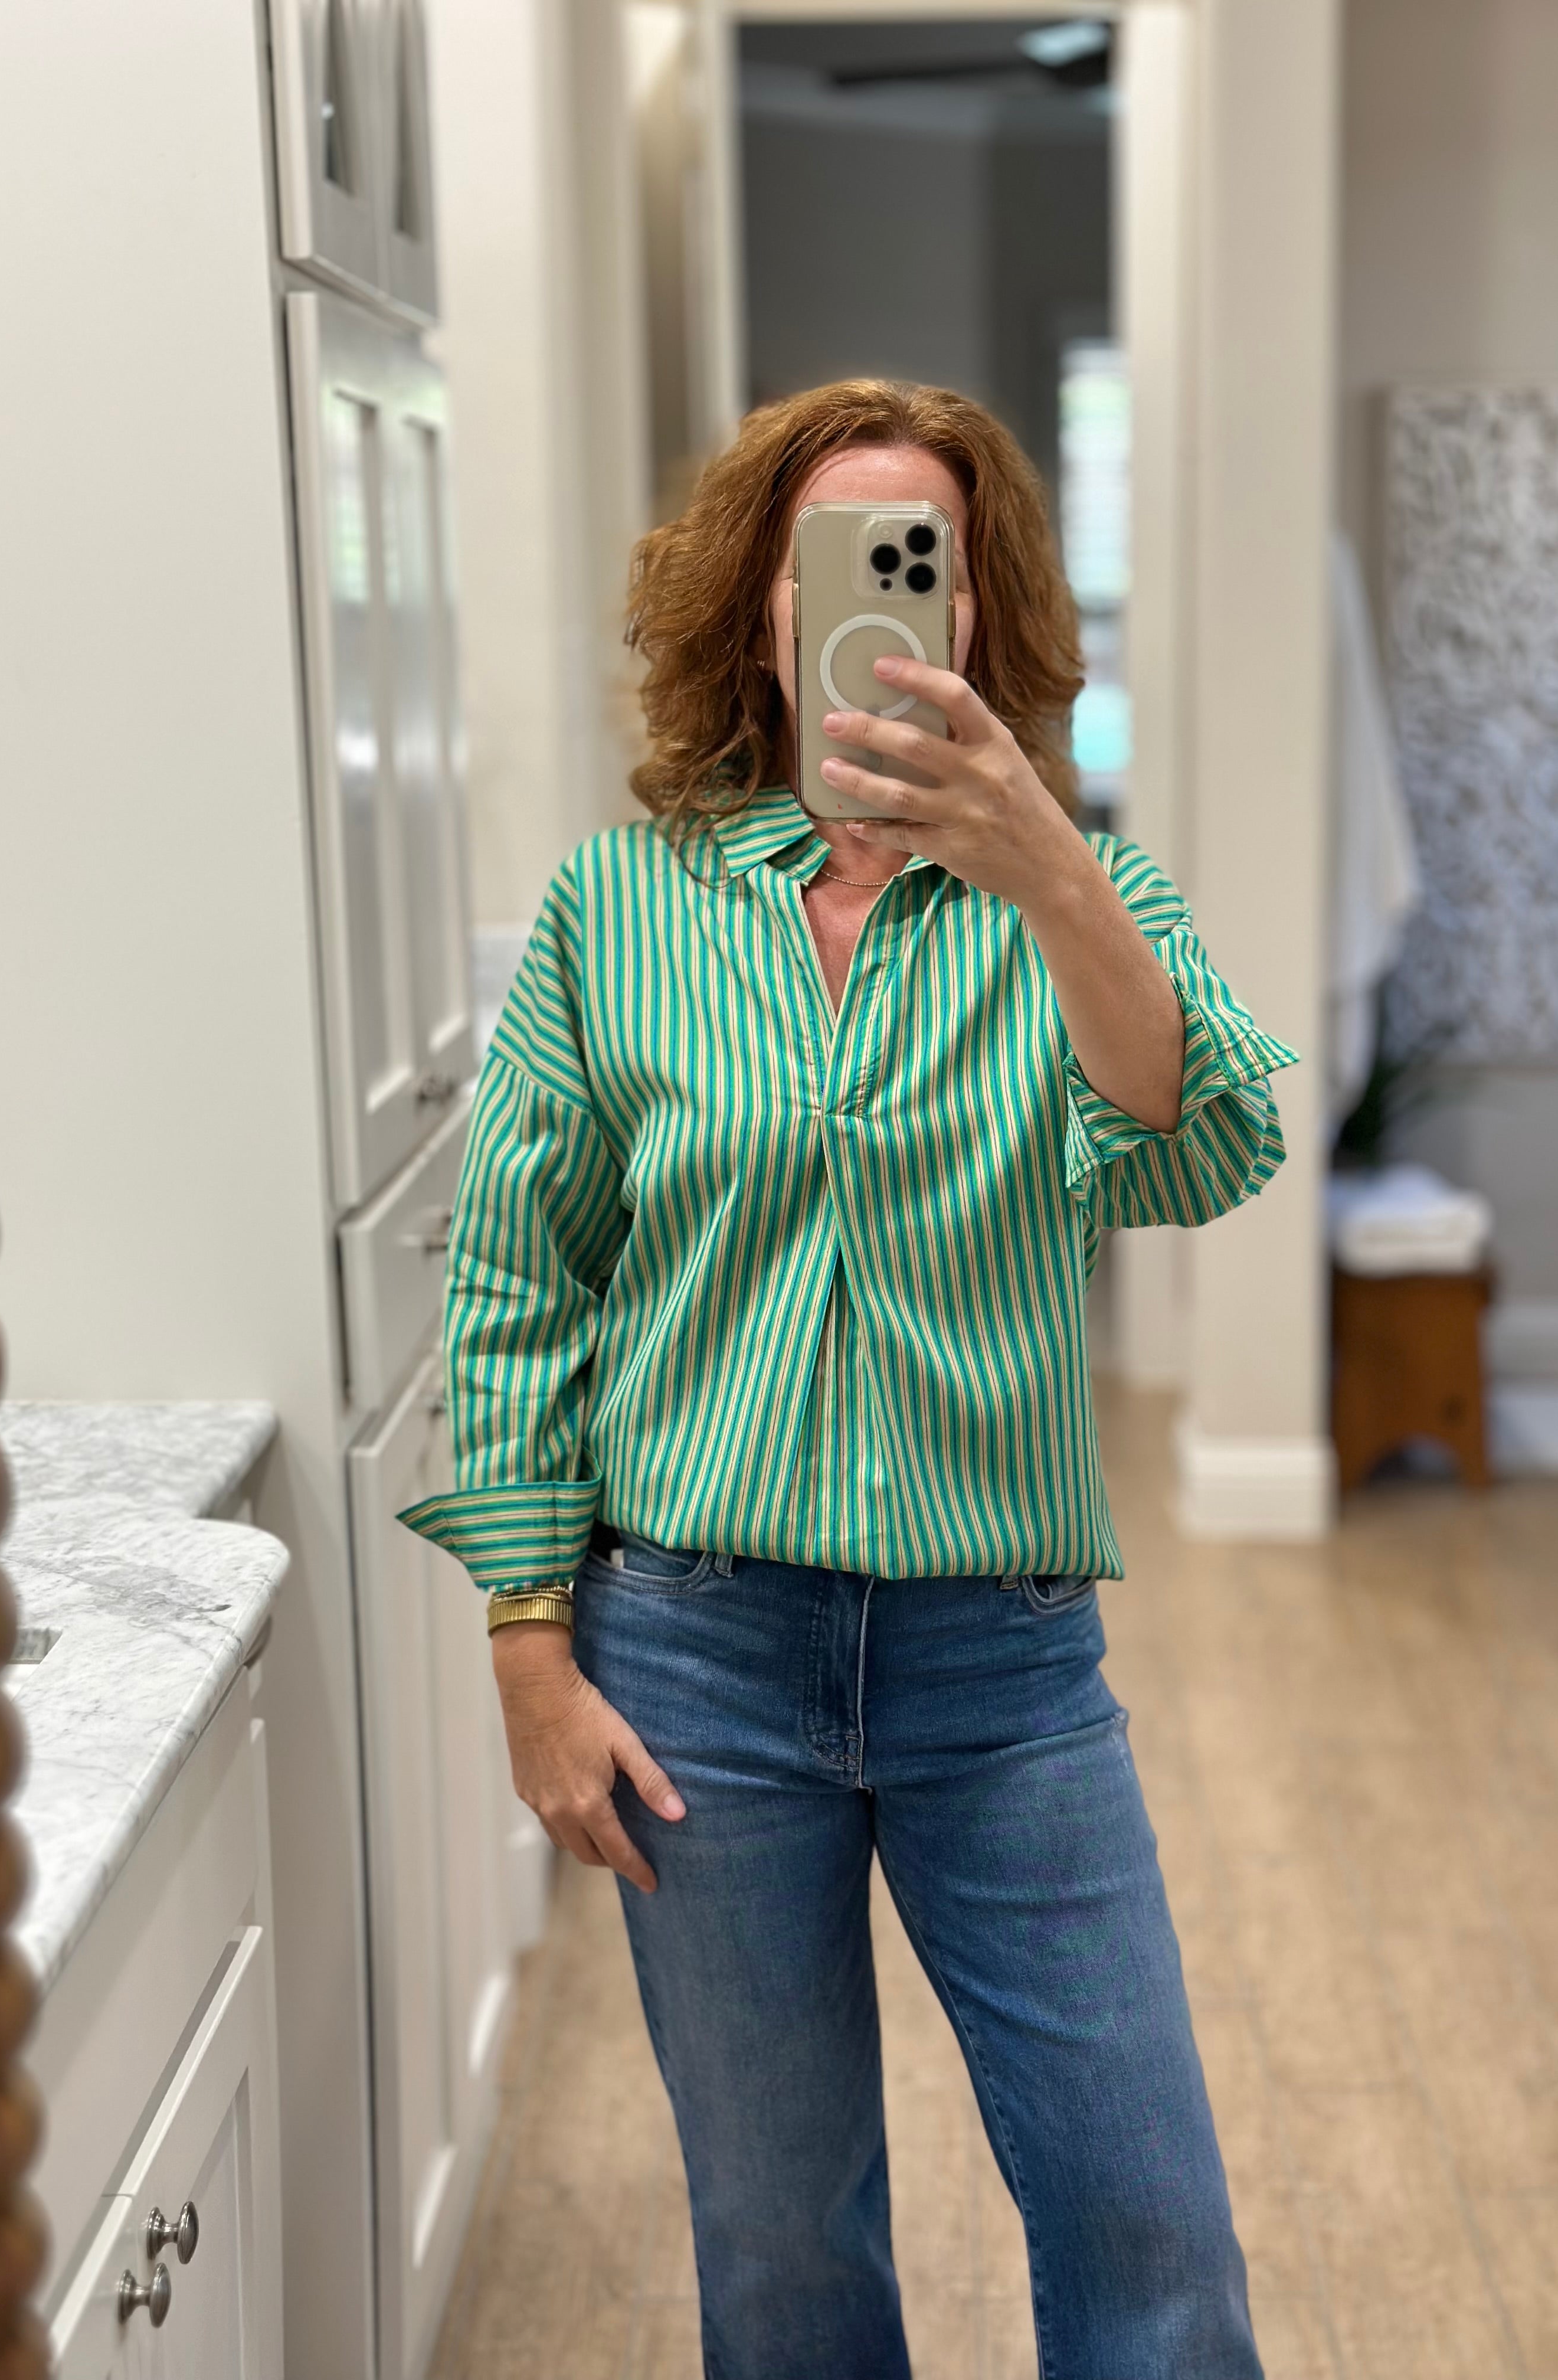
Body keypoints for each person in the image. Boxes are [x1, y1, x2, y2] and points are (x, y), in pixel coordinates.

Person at [402, 380, 1295, 2379]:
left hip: (1005, 1670)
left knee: (1152, 2232)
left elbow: (1201, 1147)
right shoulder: (616, 911)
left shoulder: (1086, 906)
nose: (888, 604)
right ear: (767, 611)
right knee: (783, 2248)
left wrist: (1049, 865)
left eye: (931, 567)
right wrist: (531, 1655)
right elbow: (521, 1284)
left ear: (980, 614)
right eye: (841, 565)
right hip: (697, 1660)